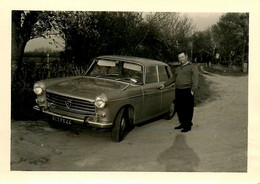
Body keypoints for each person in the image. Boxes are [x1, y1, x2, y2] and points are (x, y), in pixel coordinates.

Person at [160, 51, 199, 132]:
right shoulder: (178, 68)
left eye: (182, 57)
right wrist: (164, 85)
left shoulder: (192, 66)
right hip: (178, 91)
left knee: (187, 109)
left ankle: (187, 126)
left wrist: (193, 90)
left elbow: (195, 79)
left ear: (186, 56)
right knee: (179, 108)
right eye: (179, 58)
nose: (181, 59)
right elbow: (173, 78)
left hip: (187, 91)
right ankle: (182, 123)